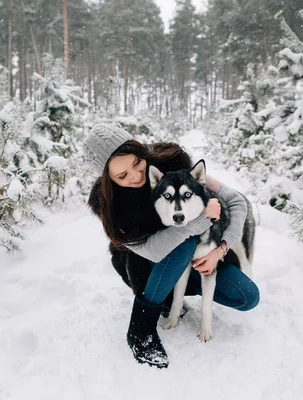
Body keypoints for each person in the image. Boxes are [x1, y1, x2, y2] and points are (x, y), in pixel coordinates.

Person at [83, 123, 259, 369]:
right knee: (184, 242)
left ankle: (181, 288)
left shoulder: (173, 165)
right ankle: (140, 329)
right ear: (107, 180)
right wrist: (198, 220)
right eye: (122, 175)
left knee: (247, 297)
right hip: (146, 268)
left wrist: (220, 251)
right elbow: (152, 251)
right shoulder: (112, 208)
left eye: (136, 162)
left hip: (197, 259)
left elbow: (237, 200)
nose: (135, 176)